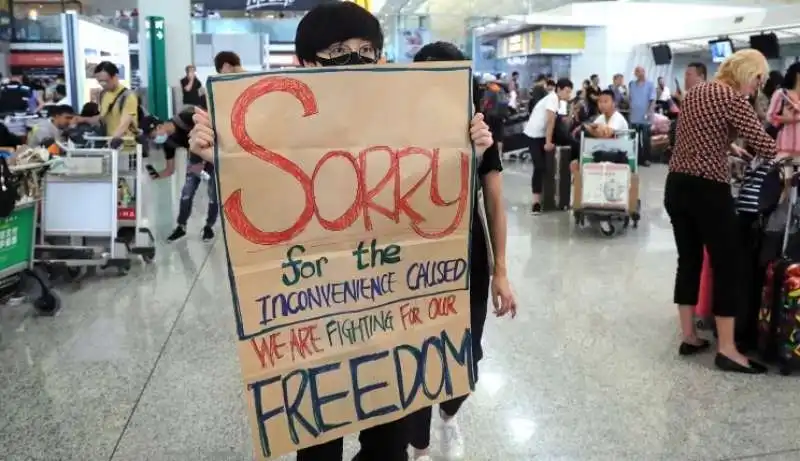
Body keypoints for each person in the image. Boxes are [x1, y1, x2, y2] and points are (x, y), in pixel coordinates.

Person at [186, 3, 495, 460]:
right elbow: (265, 189)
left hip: (389, 322)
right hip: (315, 325)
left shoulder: (406, 121)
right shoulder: (279, 129)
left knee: (388, 447)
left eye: (366, 49)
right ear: (305, 63)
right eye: (337, 49)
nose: (355, 58)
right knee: (318, 450)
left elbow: (426, 194)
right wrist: (217, 156)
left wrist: (464, 147)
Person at [407, 41, 516, 461]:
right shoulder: (395, 128)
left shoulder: (479, 128)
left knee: (466, 358)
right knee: (415, 356)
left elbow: (494, 201)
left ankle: (449, 417)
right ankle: (417, 445)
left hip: (467, 263)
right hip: (409, 264)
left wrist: (501, 269)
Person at [665, 48, 776, 374]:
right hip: (708, 191)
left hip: (676, 186)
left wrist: (730, 146)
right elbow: (766, 145)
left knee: (689, 260)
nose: (756, 89)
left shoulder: (697, 91)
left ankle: (689, 336)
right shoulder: (732, 98)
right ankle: (727, 349)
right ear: (749, 75)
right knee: (728, 263)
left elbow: (697, 132)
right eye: (758, 81)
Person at [144, 108, 218, 243]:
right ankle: (181, 226)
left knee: (213, 195)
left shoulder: (184, 118)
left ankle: (209, 227)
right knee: (186, 194)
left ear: (159, 126)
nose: (156, 140)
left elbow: (210, 120)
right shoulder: (168, 142)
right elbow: (170, 169)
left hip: (212, 155)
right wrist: (156, 175)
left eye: (154, 136)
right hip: (195, 161)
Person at [523, 78, 574, 215]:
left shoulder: (558, 101)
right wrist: (548, 142)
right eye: (567, 91)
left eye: (570, 92)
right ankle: (536, 202)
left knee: (547, 166)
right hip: (533, 135)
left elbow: (559, 120)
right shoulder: (552, 99)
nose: (568, 95)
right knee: (539, 166)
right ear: (558, 89)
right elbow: (550, 122)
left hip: (541, 135)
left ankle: (550, 198)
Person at [94, 61, 139, 148]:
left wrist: (114, 140)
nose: (103, 84)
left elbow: (124, 124)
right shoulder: (103, 94)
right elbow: (103, 117)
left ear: (115, 77)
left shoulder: (128, 96)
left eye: (105, 81)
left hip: (126, 146)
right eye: (100, 81)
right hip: (109, 145)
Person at [768, 62, 800, 157]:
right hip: (785, 148)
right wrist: (792, 119)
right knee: (786, 171)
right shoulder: (781, 94)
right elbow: (771, 117)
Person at [629, 66, 656, 166]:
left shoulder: (650, 84)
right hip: (634, 117)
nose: (637, 73)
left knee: (645, 139)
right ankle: (637, 158)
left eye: (639, 71)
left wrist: (649, 112)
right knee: (634, 139)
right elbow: (630, 98)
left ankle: (646, 159)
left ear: (644, 72)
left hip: (645, 117)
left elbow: (652, 100)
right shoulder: (632, 84)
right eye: (636, 71)